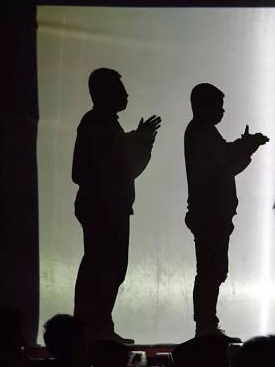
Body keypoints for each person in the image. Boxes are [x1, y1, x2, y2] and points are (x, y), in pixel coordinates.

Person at [72, 68, 161, 344]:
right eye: (120, 89)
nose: (126, 94)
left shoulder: (102, 124)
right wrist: (142, 141)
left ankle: (95, 327)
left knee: (107, 268)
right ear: (105, 93)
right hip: (105, 209)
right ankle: (94, 329)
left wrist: (139, 140)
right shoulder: (97, 123)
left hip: (109, 207)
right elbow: (114, 166)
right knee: (105, 268)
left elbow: (118, 159)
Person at [184, 83, 269, 338]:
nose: (222, 111)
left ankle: (207, 326)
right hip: (210, 215)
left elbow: (223, 158)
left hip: (212, 214)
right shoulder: (201, 133)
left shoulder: (203, 132)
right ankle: (206, 327)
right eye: (218, 106)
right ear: (203, 106)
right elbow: (223, 166)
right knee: (211, 271)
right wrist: (247, 147)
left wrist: (244, 145)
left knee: (212, 270)